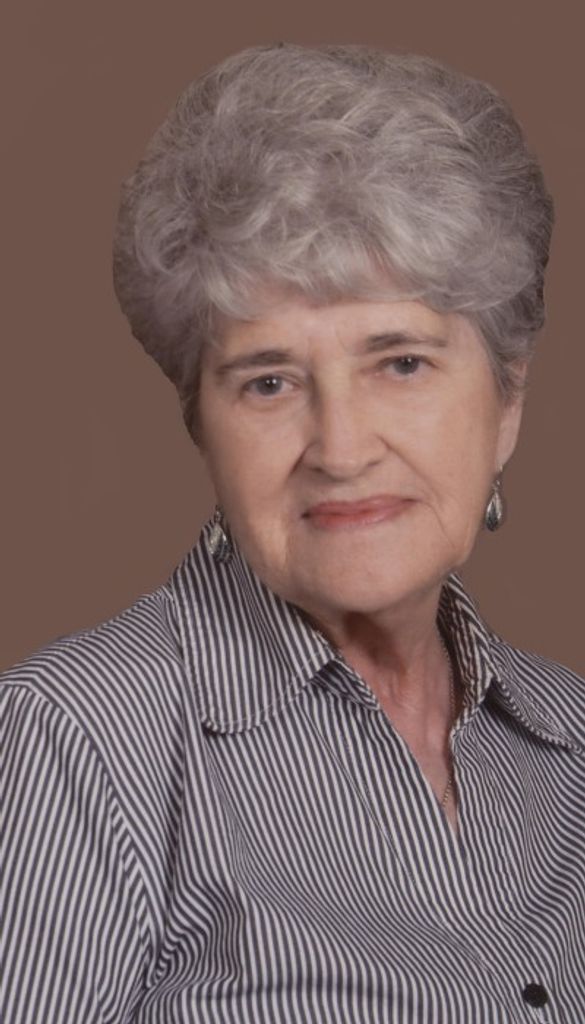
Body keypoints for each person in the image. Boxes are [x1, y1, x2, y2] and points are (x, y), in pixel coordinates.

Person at [1, 43, 584, 1024]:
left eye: (400, 363)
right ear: (203, 426)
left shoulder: (571, 742)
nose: (341, 448)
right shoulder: (79, 739)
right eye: (268, 381)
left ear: (507, 403)